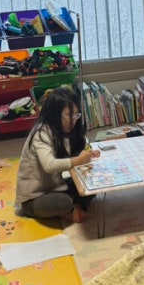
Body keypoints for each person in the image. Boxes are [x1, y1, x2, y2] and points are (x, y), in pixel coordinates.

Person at [15, 86, 99, 223]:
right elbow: (49, 165)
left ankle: (74, 208)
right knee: (61, 202)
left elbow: (77, 151)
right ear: (55, 115)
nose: (74, 120)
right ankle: (70, 209)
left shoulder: (67, 130)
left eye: (76, 115)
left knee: (92, 182)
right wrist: (78, 160)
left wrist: (88, 153)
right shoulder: (41, 133)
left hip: (56, 186)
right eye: (69, 115)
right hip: (35, 197)